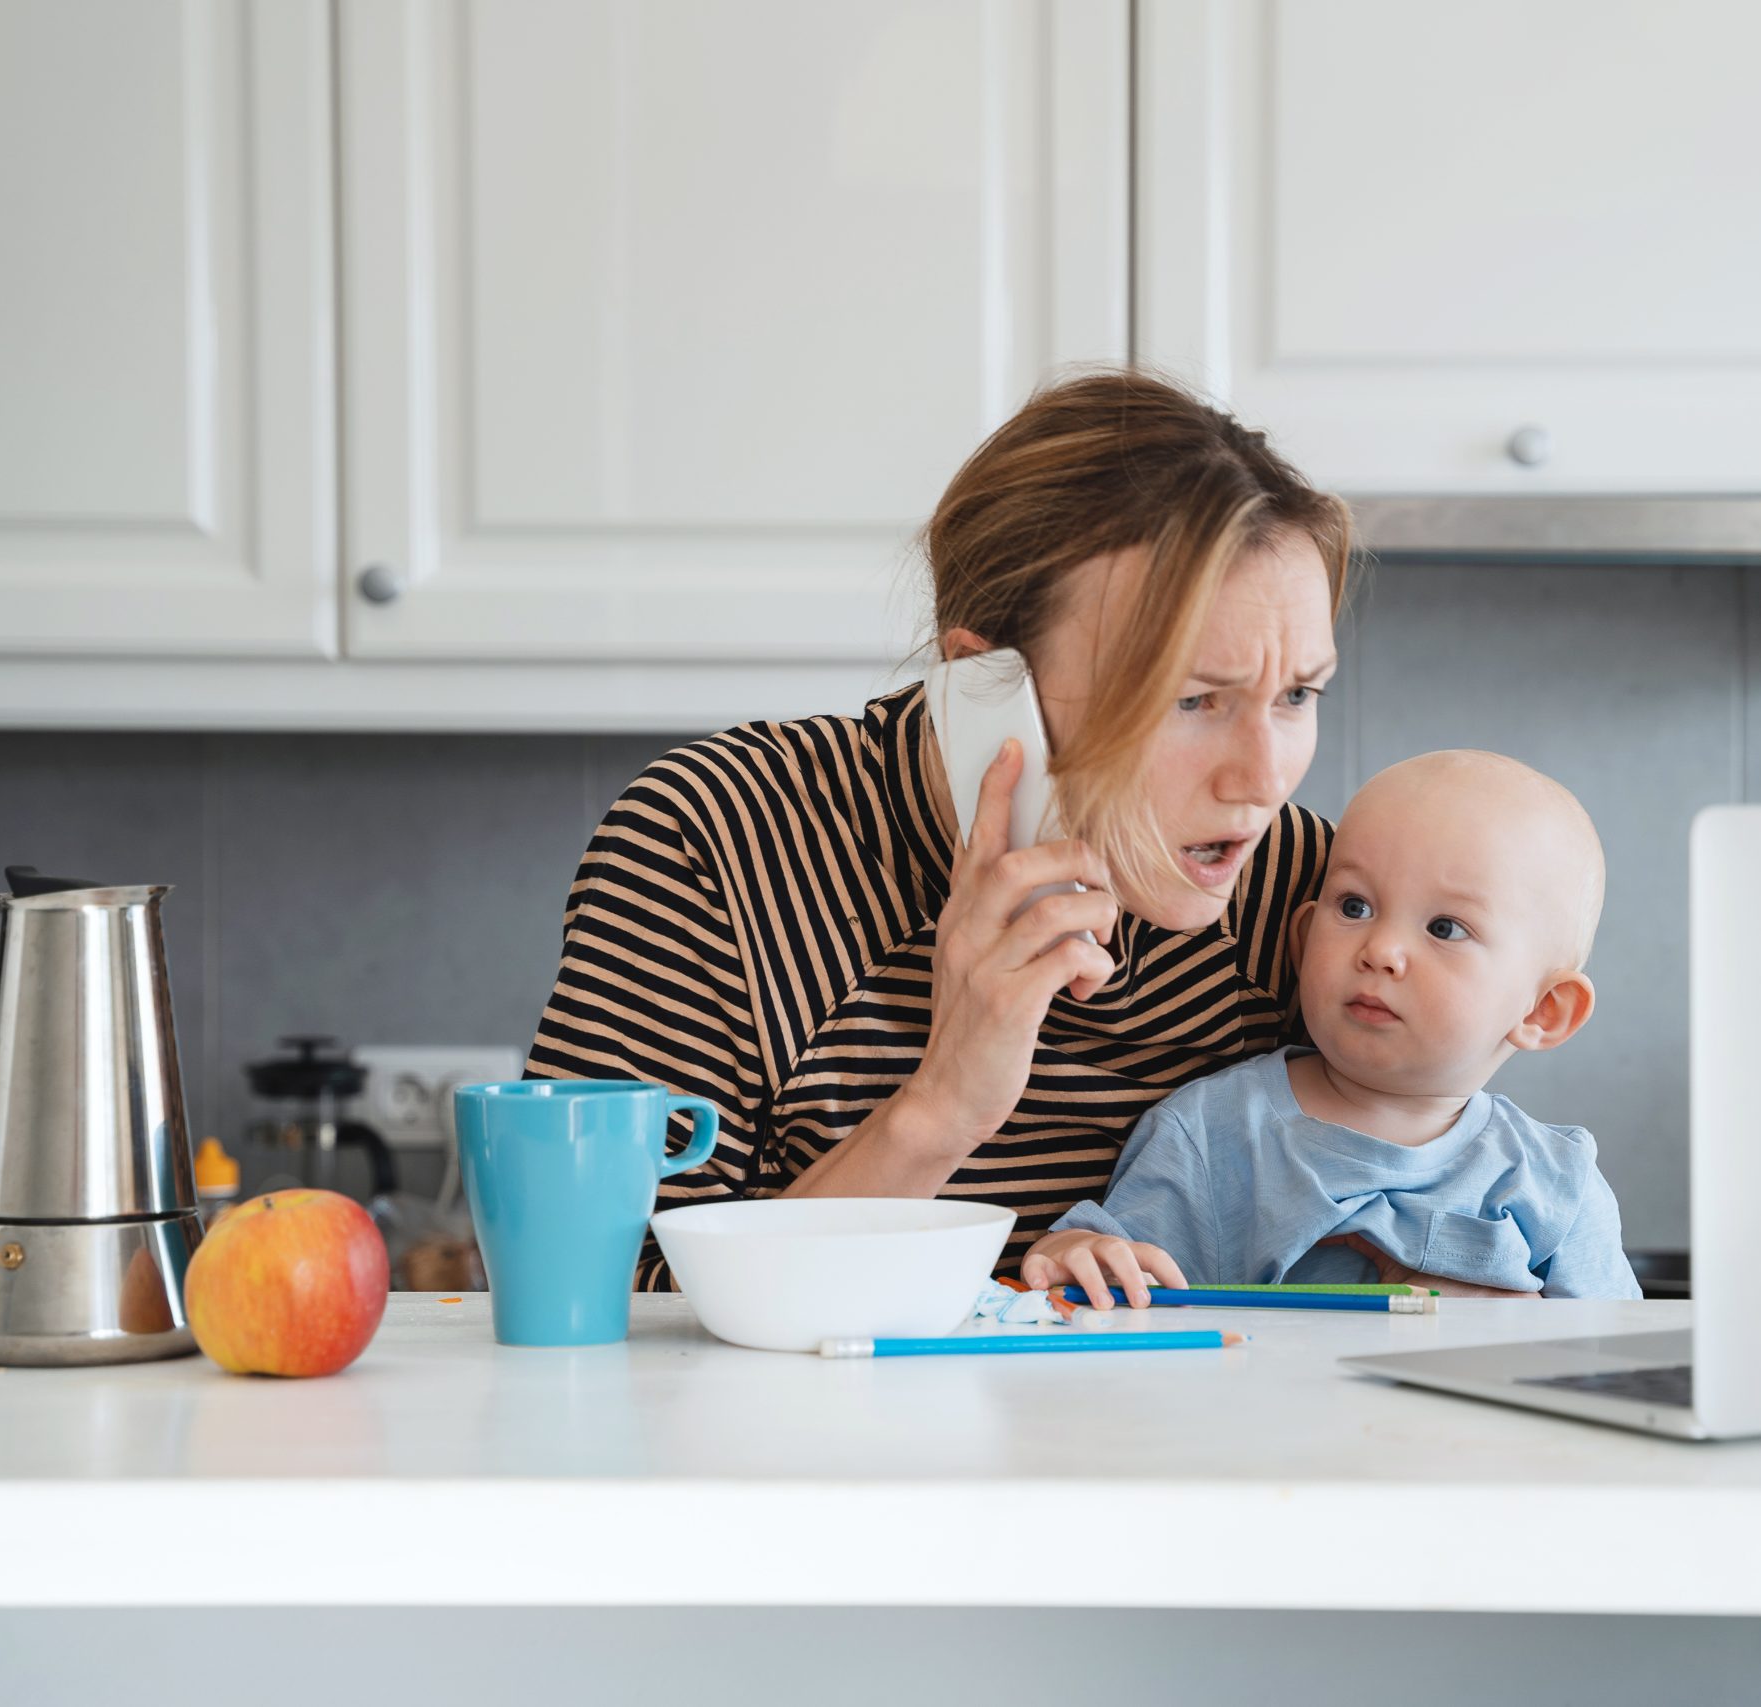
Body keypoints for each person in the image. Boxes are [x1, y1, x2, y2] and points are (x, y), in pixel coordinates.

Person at [524, 370, 1351, 1285]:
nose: (1264, 779)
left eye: (1298, 694)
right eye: (1189, 699)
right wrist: (944, 1102)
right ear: (985, 678)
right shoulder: (715, 841)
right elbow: (592, 1306)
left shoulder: (1309, 899)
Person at [1022, 751, 1641, 1306]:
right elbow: (1121, 1301)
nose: (1382, 949)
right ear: (1301, 940)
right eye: (1355, 907)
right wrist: (1078, 1255)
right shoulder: (1212, 1135)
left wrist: (1520, 1334)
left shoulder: (1558, 1182)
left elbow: (1615, 1369)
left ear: (1543, 1011)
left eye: (1445, 928)